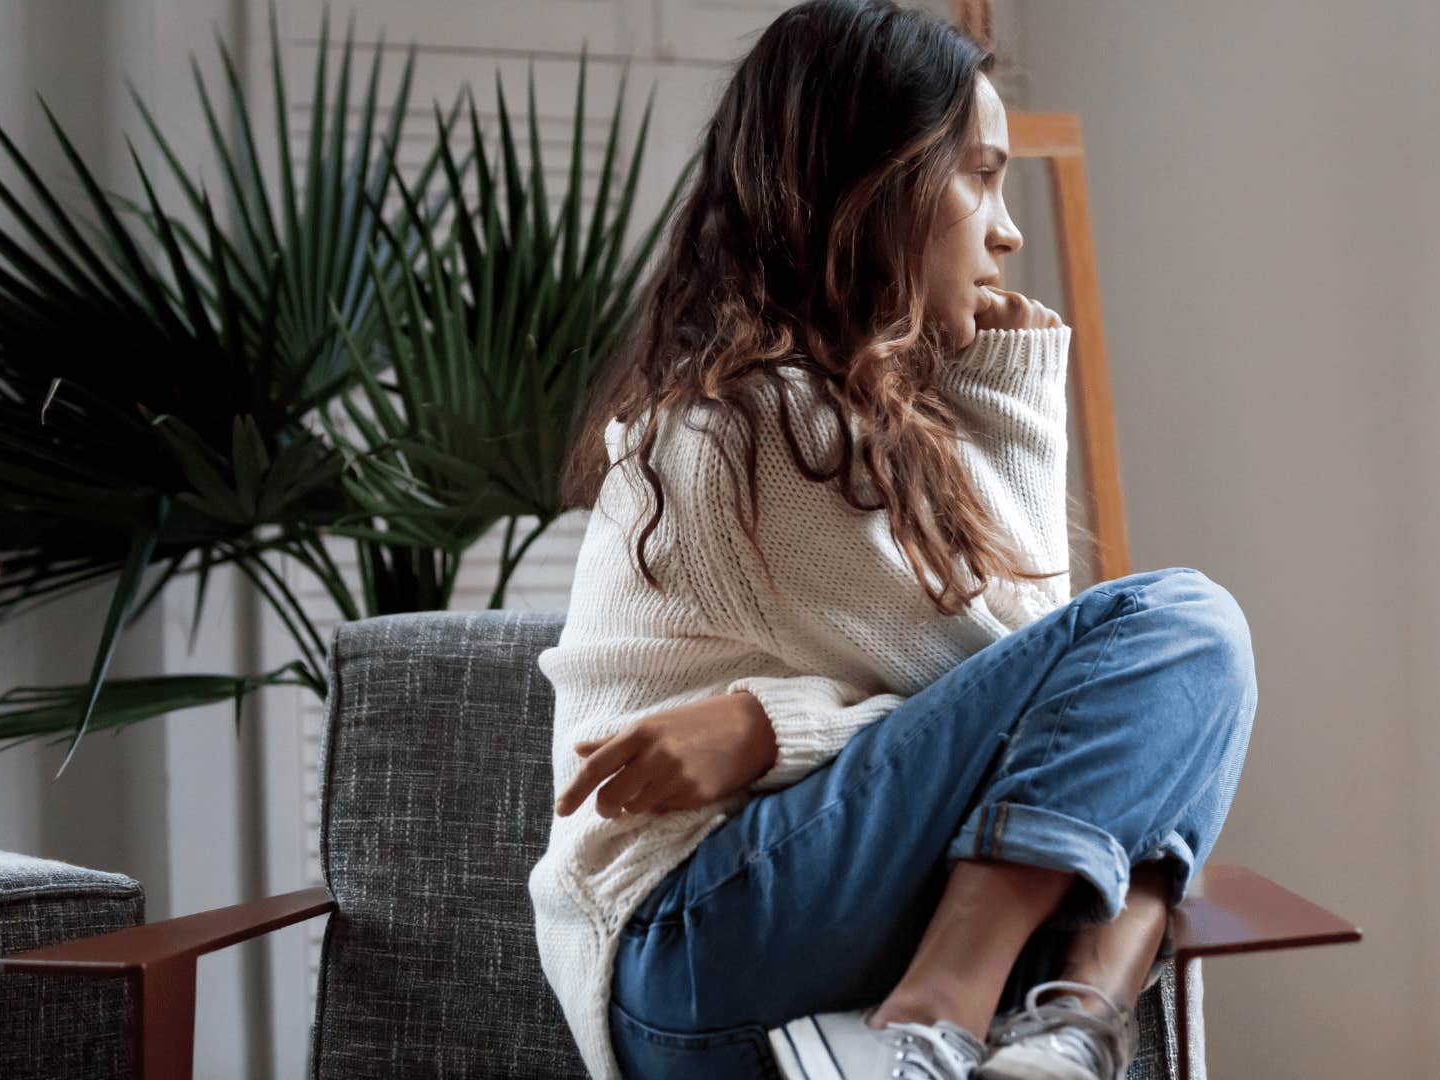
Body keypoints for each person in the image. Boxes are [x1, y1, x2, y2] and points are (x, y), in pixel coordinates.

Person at [527, 2, 1258, 1078]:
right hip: (692, 942)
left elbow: (1049, 721)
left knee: (1146, 760)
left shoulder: (843, 419)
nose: (1008, 231)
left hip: (764, 941)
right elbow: (1035, 673)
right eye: (977, 175)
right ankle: (943, 1017)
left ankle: (1062, 1034)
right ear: (868, 186)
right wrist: (1015, 397)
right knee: (1187, 630)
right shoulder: (748, 425)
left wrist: (774, 727)